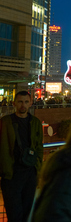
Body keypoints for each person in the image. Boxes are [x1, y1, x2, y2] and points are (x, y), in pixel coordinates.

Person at [0, 91, 43, 222]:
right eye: (20, 102)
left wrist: (37, 167)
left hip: (30, 174)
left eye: (25, 102)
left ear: (30, 103)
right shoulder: (5, 122)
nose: (23, 105)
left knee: (26, 214)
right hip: (11, 174)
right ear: (14, 104)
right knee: (14, 215)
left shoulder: (35, 122)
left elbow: (39, 146)